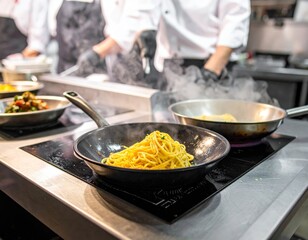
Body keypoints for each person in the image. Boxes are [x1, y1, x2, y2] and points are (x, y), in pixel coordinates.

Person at [151, 0, 251, 91]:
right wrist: (144, 31)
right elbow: (143, 7)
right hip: (169, 68)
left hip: (214, 64)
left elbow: (234, 23)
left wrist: (211, 72)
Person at [48, 0, 106, 76]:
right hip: (65, 71)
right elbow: (53, 30)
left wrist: (95, 54)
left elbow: (119, 35)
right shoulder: (56, 3)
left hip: (96, 74)